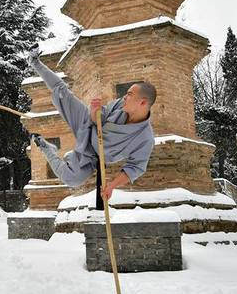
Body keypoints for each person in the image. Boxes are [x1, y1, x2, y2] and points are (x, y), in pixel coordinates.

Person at [27, 46, 156, 201]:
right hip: (88, 126)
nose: (125, 97)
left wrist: (111, 186)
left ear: (142, 102)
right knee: (62, 92)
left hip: (93, 157)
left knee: (72, 179)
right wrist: (95, 114)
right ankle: (34, 62)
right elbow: (99, 117)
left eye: (129, 94)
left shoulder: (145, 138)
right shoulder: (120, 104)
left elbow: (135, 167)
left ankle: (47, 149)